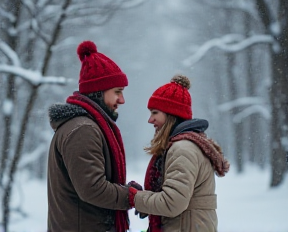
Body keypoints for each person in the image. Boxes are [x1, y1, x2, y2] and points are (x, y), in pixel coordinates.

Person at [47, 40, 137, 232]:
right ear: (98, 92)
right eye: (117, 92)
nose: (122, 100)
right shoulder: (83, 130)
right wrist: (131, 196)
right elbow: (92, 188)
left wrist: (125, 189)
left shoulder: (84, 125)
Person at [128, 75, 230, 232]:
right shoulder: (183, 146)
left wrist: (134, 197)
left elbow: (172, 203)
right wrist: (145, 196)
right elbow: (177, 196)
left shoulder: (183, 149)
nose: (150, 120)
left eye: (155, 112)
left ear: (170, 114)